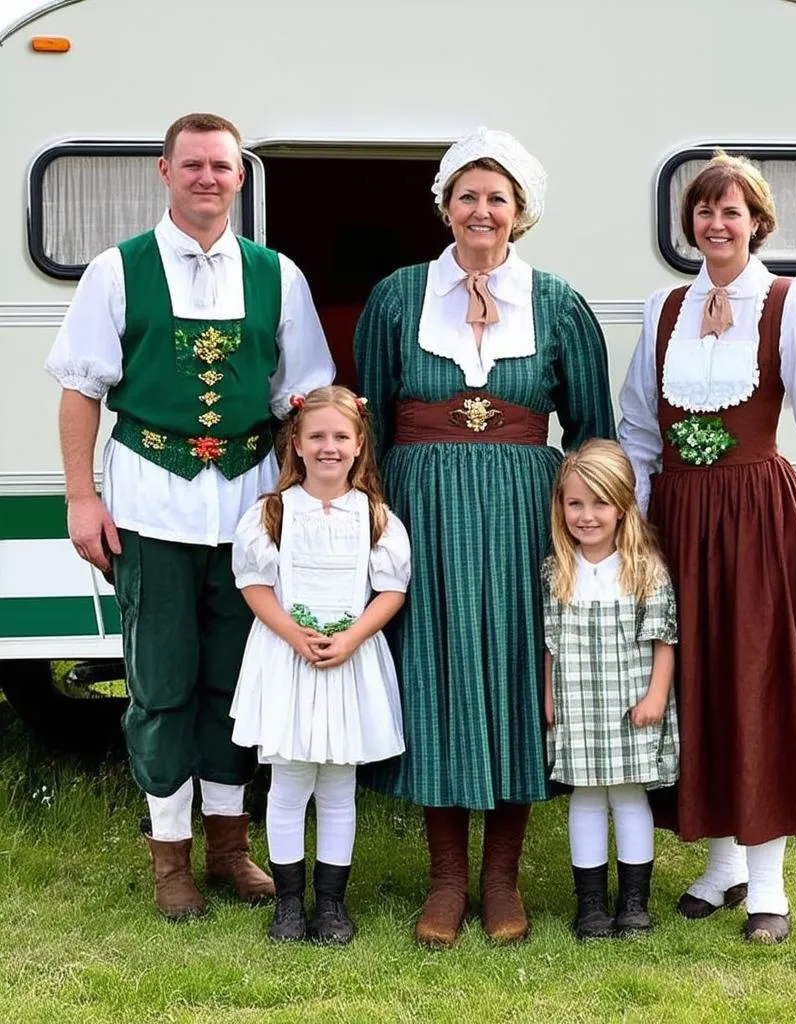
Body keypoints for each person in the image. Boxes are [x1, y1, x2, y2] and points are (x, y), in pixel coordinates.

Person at [44, 113, 335, 920]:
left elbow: (300, 396)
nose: (209, 177)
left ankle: (229, 849)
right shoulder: (116, 270)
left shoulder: (279, 274)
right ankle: (170, 858)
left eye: (223, 166)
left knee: (233, 684)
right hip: (149, 501)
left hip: (245, 505)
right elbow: (80, 389)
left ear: (242, 178)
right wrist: (80, 498)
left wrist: (302, 505)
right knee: (161, 684)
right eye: (194, 164)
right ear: (165, 172)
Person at [354, 127, 616, 946]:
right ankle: (442, 883)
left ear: (521, 212)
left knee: (514, 673)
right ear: (443, 205)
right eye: (466, 195)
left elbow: (594, 431)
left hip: (520, 516)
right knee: (433, 668)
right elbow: (365, 417)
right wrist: (368, 519)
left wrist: (591, 533)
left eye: (496, 198)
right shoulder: (398, 296)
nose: (481, 211)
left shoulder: (559, 301)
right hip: (421, 511)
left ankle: (500, 880)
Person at [618, 151, 796, 944]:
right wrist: (638, 525)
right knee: (697, 683)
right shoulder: (664, 307)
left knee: (758, 683)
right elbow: (636, 428)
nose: (716, 223)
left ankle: (769, 887)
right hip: (684, 520)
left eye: (732, 211)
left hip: (760, 517)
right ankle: (723, 865)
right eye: (704, 211)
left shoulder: (791, 303)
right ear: (688, 223)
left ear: (757, 222)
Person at [230, 386, 410, 944]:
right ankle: (288, 902)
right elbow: (254, 584)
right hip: (288, 660)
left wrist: (353, 637)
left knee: (337, 785)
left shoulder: (375, 517)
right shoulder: (272, 513)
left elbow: (390, 590)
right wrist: (293, 634)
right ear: (297, 444)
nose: (328, 447)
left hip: (349, 661)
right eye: (316, 437)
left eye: (340, 437)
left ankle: (330, 903)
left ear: (359, 445)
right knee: (288, 782)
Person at [541, 440, 678, 940]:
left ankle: (635, 901)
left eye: (599, 503)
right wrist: (549, 695)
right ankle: (592, 904)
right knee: (586, 798)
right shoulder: (558, 570)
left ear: (623, 506)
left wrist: (656, 696)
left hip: (629, 705)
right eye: (575, 503)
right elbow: (550, 643)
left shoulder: (644, 570)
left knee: (628, 797)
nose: (587, 515)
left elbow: (664, 638)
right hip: (578, 705)